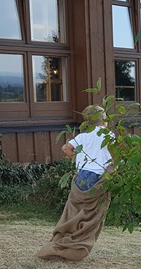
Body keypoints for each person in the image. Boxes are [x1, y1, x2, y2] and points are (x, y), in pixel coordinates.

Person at [36, 105, 114, 261]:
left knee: (77, 210)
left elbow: (66, 148)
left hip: (82, 176)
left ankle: (65, 239)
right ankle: (78, 245)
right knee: (92, 213)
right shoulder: (108, 134)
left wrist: (77, 159)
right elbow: (115, 152)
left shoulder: (83, 136)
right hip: (98, 176)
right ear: (103, 119)